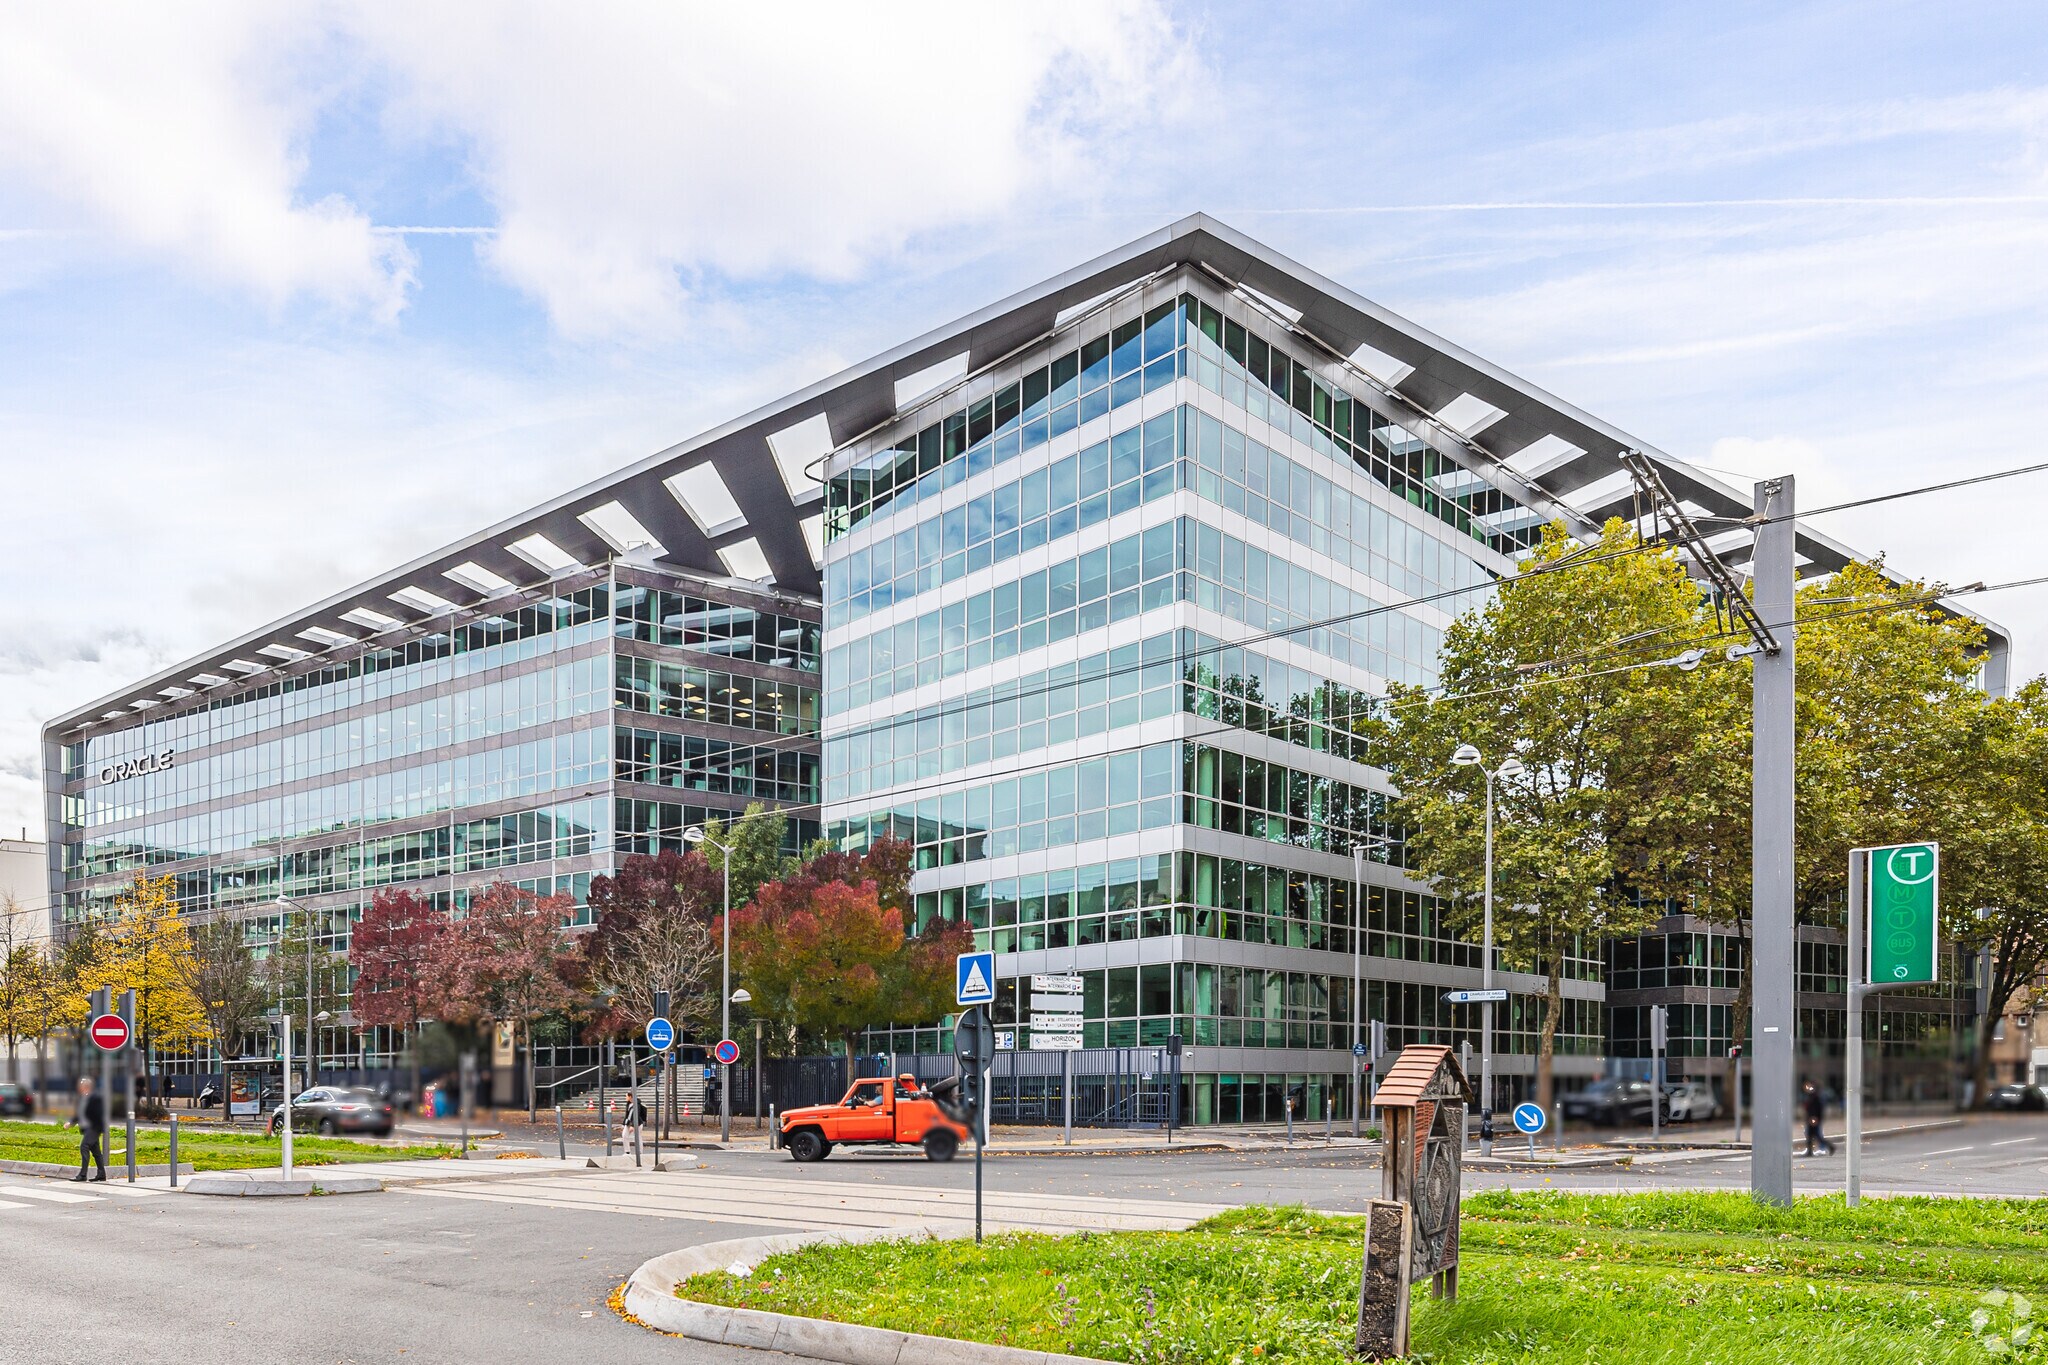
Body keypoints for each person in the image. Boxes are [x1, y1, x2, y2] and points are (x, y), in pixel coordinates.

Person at [66, 1077, 107, 1182]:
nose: (79, 1087)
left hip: (93, 1128)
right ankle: (102, 1174)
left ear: (86, 1086)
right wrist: (70, 1123)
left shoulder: (96, 1098)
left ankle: (83, 1174)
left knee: (84, 1146)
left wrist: (99, 1128)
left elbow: (99, 1114)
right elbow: (79, 1114)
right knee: (96, 1152)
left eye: (81, 1085)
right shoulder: (82, 1098)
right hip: (87, 1129)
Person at [1802, 1081, 1834, 1156]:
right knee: (1811, 1135)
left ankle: (1830, 1147)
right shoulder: (1810, 1096)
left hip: (1813, 1119)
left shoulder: (1815, 1097)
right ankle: (1810, 1151)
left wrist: (1815, 1118)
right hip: (1811, 1118)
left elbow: (1817, 1109)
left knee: (1815, 1136)